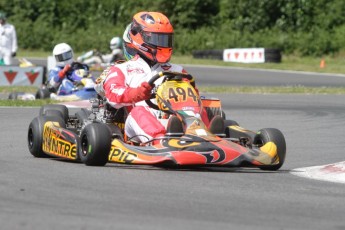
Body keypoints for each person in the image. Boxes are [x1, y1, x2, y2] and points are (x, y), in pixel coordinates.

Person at [95, 11, 209, 144]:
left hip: (176, 118)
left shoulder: (177, 70)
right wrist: (138, 93)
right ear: (140, 37)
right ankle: (162, 142)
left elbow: (193, 99)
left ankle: (207, 135)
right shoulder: (122, 69)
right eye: (157, 39)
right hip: (139, 122)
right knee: (139, 112)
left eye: (166, 40)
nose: (163, 45)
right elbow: (112, 96)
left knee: (201, 105)